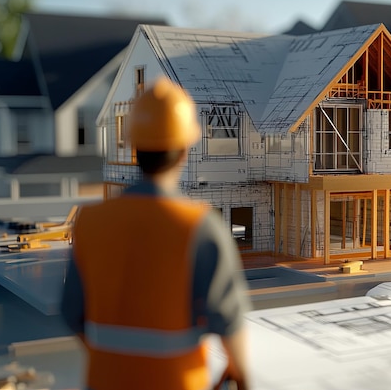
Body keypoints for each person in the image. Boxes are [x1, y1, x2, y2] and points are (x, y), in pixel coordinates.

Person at [60, 77, 251, 390]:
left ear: (135, 147)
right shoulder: (199, 226)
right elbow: (228, 322)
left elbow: (72, 314)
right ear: (184, 151)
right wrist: (241, 376)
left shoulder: (89, 222)